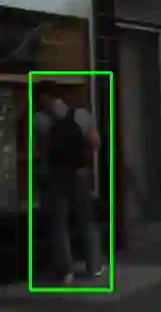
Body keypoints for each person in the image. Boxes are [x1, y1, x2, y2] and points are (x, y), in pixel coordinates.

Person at [34, 81, 103, 285]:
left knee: (59, 224)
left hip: (55, 176)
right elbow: (96, 143)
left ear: (43, 97)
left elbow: (34, 151)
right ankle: (94, 266)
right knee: (87, 220)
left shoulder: (37, 120)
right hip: (80, 174)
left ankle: (66, 271)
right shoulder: (81, 115)